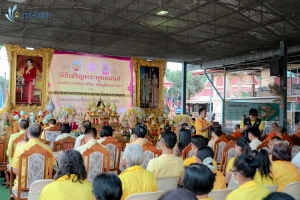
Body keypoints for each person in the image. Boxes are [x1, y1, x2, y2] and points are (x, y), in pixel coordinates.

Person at [10, 123, 55, 191]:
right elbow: (50, 169)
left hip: (22, 185)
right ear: (40, 134)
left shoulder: (20, 148)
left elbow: (15, 170)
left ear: (27, 133)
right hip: (41, 186)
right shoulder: (47, 149)